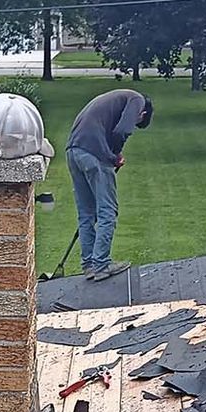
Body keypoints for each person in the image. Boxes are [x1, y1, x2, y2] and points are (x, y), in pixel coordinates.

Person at [66, 88, 151, 281]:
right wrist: (115, 156)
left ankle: (88, 265)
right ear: (142, 115)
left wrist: (111, 154)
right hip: (94, 154)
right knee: (107, 211)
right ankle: (102, 265)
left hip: (73, 151)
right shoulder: (137, 100)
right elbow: (123, 130)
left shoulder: (114, 98)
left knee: (86, 213)